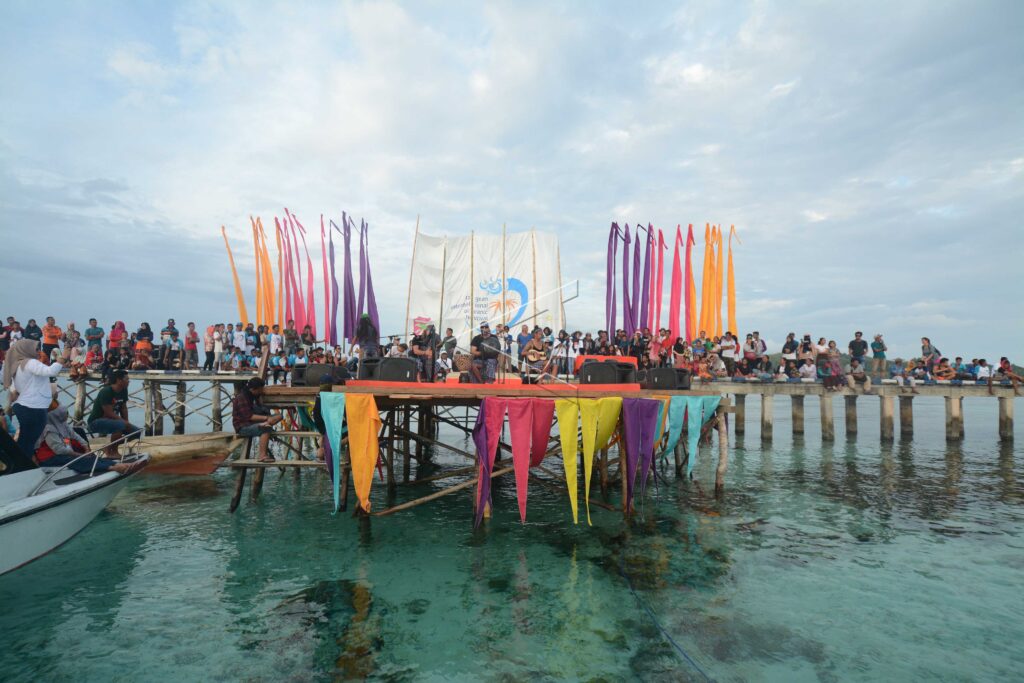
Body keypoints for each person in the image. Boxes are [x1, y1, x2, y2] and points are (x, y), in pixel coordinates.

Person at [4, 339, 69, 453]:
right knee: (29, 440)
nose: (39, 351)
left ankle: (22, 463)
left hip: (22, 406)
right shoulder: (30, 362)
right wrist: (61, 359)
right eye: (36, 349)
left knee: (26, 439)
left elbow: (13, 387)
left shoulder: (17, 364)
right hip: (33, 407)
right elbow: (50, 372)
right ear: (26, 350)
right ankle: (23, 465)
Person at [35, 405, 144, 474]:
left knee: (90, 456)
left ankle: (114, 464)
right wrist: (79, 455)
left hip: (64, 452)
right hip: (50, 457)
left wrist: (86, 449)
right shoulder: (49, 429)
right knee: (78, 461)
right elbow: (59, 449)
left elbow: (76, 436)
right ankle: (112, 467)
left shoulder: (62, 425)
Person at [87, 370, 140, 458]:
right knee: (119, 425)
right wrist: (123, 422)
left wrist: (127, 421)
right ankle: (113, 452)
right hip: (96, 421)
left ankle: (109, 447)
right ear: (119, 380)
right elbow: (108, 413)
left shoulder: (123, 390)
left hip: (113, 420)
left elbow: (123, 408)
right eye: (127, 379)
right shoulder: (106, 391)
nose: (129, 381)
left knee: (136, 432)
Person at [232, 377, 283, 463]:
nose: (262, 391)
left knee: (279, 416)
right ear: (253, 389)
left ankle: (265, 424)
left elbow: (260, 410)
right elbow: (249, 417)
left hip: (255, 423)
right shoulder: (242, 397)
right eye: (260, 389)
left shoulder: (254, 395)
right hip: (244, 426)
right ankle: (262, 456)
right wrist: (267, 418)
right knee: (266, 429)